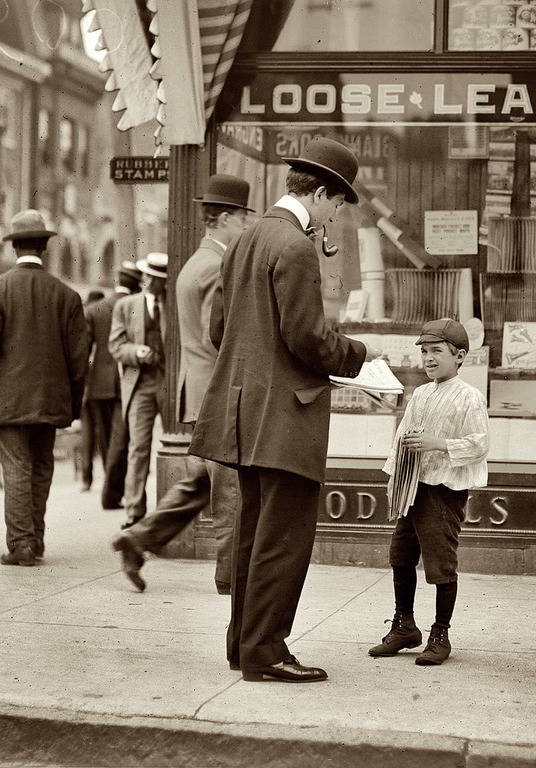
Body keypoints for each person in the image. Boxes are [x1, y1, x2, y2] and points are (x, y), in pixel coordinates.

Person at [190, 137, 381, 684]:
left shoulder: (247, 238)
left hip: (244, 417)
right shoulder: (295, 246)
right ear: (320, 194)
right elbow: (308, 340)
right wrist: (360, 354)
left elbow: (219, 330)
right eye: (337, 205)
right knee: (283, 543)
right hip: (286, 420)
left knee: (253, 536)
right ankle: (266, 652)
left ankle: (243, 644)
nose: (335, 217)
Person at [112, 175, 253, 593]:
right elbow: (222, 335)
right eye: (243, 218)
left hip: (198, 391)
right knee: (229, 493)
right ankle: (231, 579)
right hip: (219, 394)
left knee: (199, 483)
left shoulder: (195, 264)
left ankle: (138, 539)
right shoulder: (218, 266)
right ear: (225, 218)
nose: (245, 226)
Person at [0, 210, 89, 566]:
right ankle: (35, 538)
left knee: (16, 467)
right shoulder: (67, 295)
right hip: (51, 401)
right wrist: (73, 405)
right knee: (42, 467)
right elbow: (80, 361)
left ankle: (21, 544)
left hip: (8, 401)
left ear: (14, 246)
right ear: (46, 246)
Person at [368, 318, 489, 666]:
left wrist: (439, 444)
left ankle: (441, 633)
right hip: (413, 487)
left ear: (460, 355)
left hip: (444, 491)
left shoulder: (470, 397)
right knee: (400, 555)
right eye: (424, 351)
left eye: (437, 351)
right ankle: (404, 624)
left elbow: (480, 445)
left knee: (440, 563)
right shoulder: (420, 394)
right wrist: (394, 479)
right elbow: (401, 439)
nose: (429, 358)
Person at [109, 252, 168, 529]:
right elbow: (116, 346)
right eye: (148, 277)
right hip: (141, 385)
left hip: (168, 383)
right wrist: (137, 352)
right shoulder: (125, 306)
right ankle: (134, 512)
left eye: (155, 279)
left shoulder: (173, 305)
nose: (149, 283)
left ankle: (168, 511)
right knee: (139, 448)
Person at [85, 262, 140, 510]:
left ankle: (112, 489)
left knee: (106, 439)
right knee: (122, 439)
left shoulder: (96, 308)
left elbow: (85, 349)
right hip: (125, 380)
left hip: (98, 383)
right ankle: (112, 492)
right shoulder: (135, 307)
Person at [77, 289, 107, 492]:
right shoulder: (98, 316)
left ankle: (86, 477)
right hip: (99, 384)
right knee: (102, 432)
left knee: (87, 433)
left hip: (86, 384)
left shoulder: (85, 317)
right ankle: (106, 474)